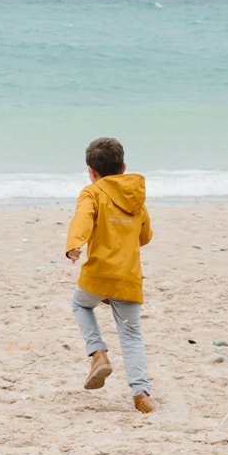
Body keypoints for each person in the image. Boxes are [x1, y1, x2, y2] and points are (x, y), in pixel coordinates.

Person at [65, 135, 156, 412]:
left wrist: (74, 245)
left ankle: (98, 353)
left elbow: (82, 219)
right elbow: (145, 235)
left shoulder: (92, 192)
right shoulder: (136, 197)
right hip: (127, 277)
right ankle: (141, 395)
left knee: (80, 303)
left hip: (99, 275)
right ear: (124, 167)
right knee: (131, 336)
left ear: (91, 172)